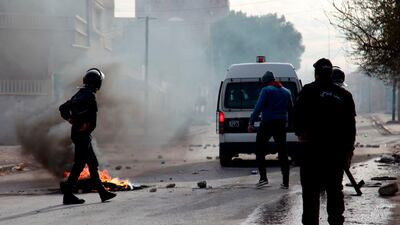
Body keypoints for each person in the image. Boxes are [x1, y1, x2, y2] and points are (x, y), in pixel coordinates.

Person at [294, 58, 356, 225]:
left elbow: (295, 120)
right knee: (335, 190)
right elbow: (351, 128)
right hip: (336, 154)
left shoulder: (307, 92)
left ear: (316, 73)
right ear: (331, 73)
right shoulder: (344, 96)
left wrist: (301, 134)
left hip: (310, 153)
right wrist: (348, 151)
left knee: (310, 194)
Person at [59, 68, 116, 205]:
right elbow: (93, 122)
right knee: (79, 165)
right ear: (97, 83)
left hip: (78, 133)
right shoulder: (90, 96)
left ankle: (102, 192)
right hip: (82, 135)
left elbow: (63, 108)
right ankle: (68, 195)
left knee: (92, 164)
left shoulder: (79, 93)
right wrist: (84, 127)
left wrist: (70, 119)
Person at [248, 71, 293, 189]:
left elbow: (258, 107)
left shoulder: (266, 90)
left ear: (265, 82)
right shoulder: (287, 91)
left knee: (259, 149)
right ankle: (285, 182)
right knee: (283, 152)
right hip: (281, 124)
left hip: (267, 123)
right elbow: (291, 110)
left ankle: (263, 178)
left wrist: (251, 122)